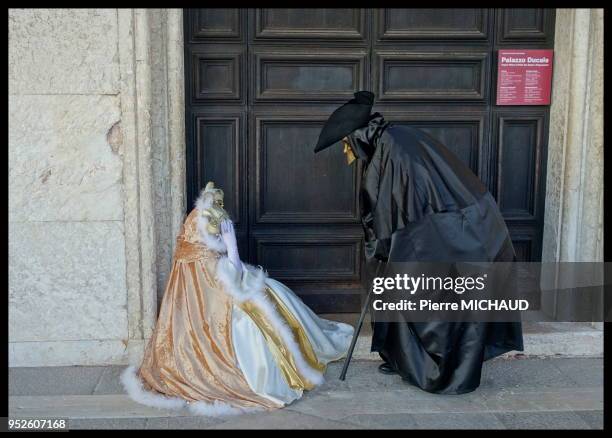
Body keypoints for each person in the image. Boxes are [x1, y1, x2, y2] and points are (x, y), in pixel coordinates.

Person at [314, 91, 523, 394]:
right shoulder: (393, 139)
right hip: (451, 224)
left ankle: (443, 373)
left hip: (450, 232)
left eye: (346, 144)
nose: (347, 153)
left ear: (357, 136)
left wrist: (381, 247)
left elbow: (386, 212)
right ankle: (404, 359)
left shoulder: (392, 151)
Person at [121, 182, 354, 415]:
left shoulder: (189, 249)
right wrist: (232, 248)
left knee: (276, 293)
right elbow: (228, 283)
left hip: (215, 306)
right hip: (224, 315)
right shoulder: (205, 259)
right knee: (265, 310)